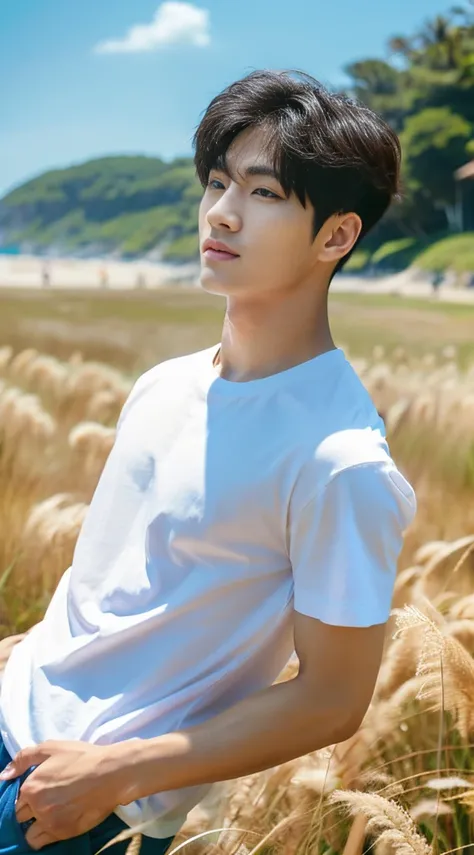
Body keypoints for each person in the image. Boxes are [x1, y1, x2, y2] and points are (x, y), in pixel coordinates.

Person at [0, 70, 417, 853]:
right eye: (219, 182)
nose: (221, 211)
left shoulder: (342, 460)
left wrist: (112, 775)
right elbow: (127, 576)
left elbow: (334, 697)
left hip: (69, 804)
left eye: (262, 194)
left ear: (336, 235)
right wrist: (33, 645)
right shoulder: (166, 382)